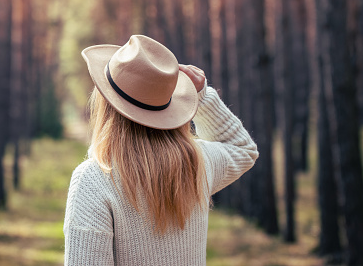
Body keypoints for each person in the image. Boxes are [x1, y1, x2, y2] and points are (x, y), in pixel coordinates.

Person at [64, 35, 258, 265]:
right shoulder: (197, 163)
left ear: (106, 104)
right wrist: (203, 97)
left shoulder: (94, 180)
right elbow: (242, 148)